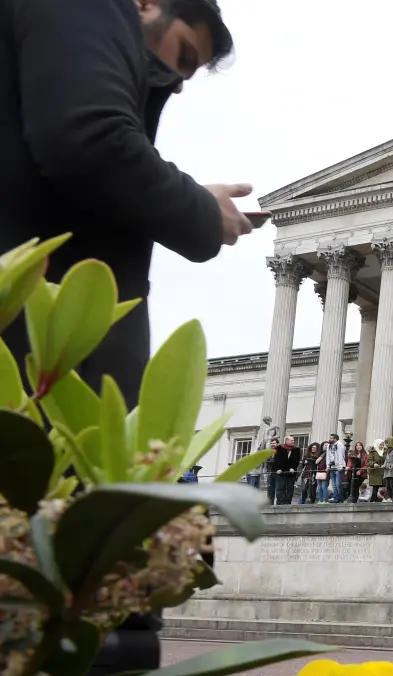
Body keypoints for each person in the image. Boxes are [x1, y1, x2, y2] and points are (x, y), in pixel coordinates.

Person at [0, 0, 252, 410]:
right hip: (37, 367)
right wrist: (203, 211)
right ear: (147, 3)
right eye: (184, 55)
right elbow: (91, 139)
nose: (176, 83)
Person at [267, 435, 300, 505]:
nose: (293, 442)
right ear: (287, 441)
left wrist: (293, 468)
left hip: (291, 472)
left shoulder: (296, 449)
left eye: (293, 440)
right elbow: (276, 460)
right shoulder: (279, 448)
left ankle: (288, 503)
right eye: (292, 440)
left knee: (290, 489)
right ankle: (280, 504)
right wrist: (278, 469)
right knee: (280, 488)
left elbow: (297, 460)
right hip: (281, 472)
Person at [322, 433, 345, 503]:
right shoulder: (329, 446)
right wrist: (328, 466)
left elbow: (341, 456)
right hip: (332, 467)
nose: (330, 439)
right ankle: (336, 498)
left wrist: (340, 466)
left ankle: (341, 498)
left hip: (339, 467)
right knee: (334, 484)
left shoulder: (340, 445)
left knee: (338, 484)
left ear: (335, 439)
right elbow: (328, 456)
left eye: (331, 438)